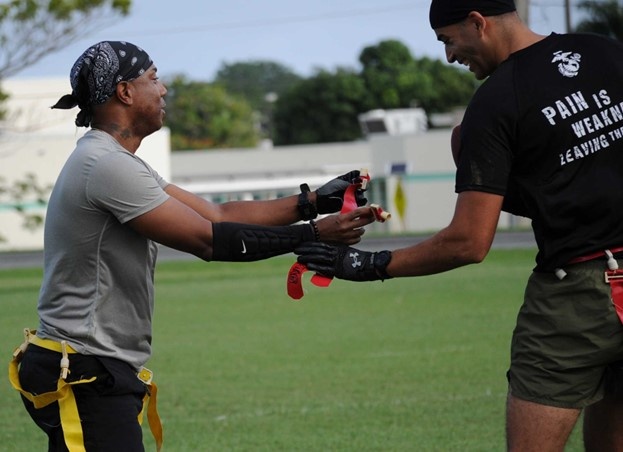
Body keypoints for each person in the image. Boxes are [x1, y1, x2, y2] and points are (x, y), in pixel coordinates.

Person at [9, 41, 376, 451]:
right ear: (125, 92)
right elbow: (208, 240)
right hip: (85, 368)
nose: (163, 89)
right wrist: (315, 234)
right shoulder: (105, 165)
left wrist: (311, 203)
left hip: (86, 365)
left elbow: (215, 215)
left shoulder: (116, 161)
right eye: (153, 78)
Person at [294, 0, 623, 450]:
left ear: (477, 22)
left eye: (448, 40)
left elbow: (468, 241)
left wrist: (365, 264)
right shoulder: (606, 52)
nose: (449, 56)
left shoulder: (495, 100)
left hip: (576, 297)